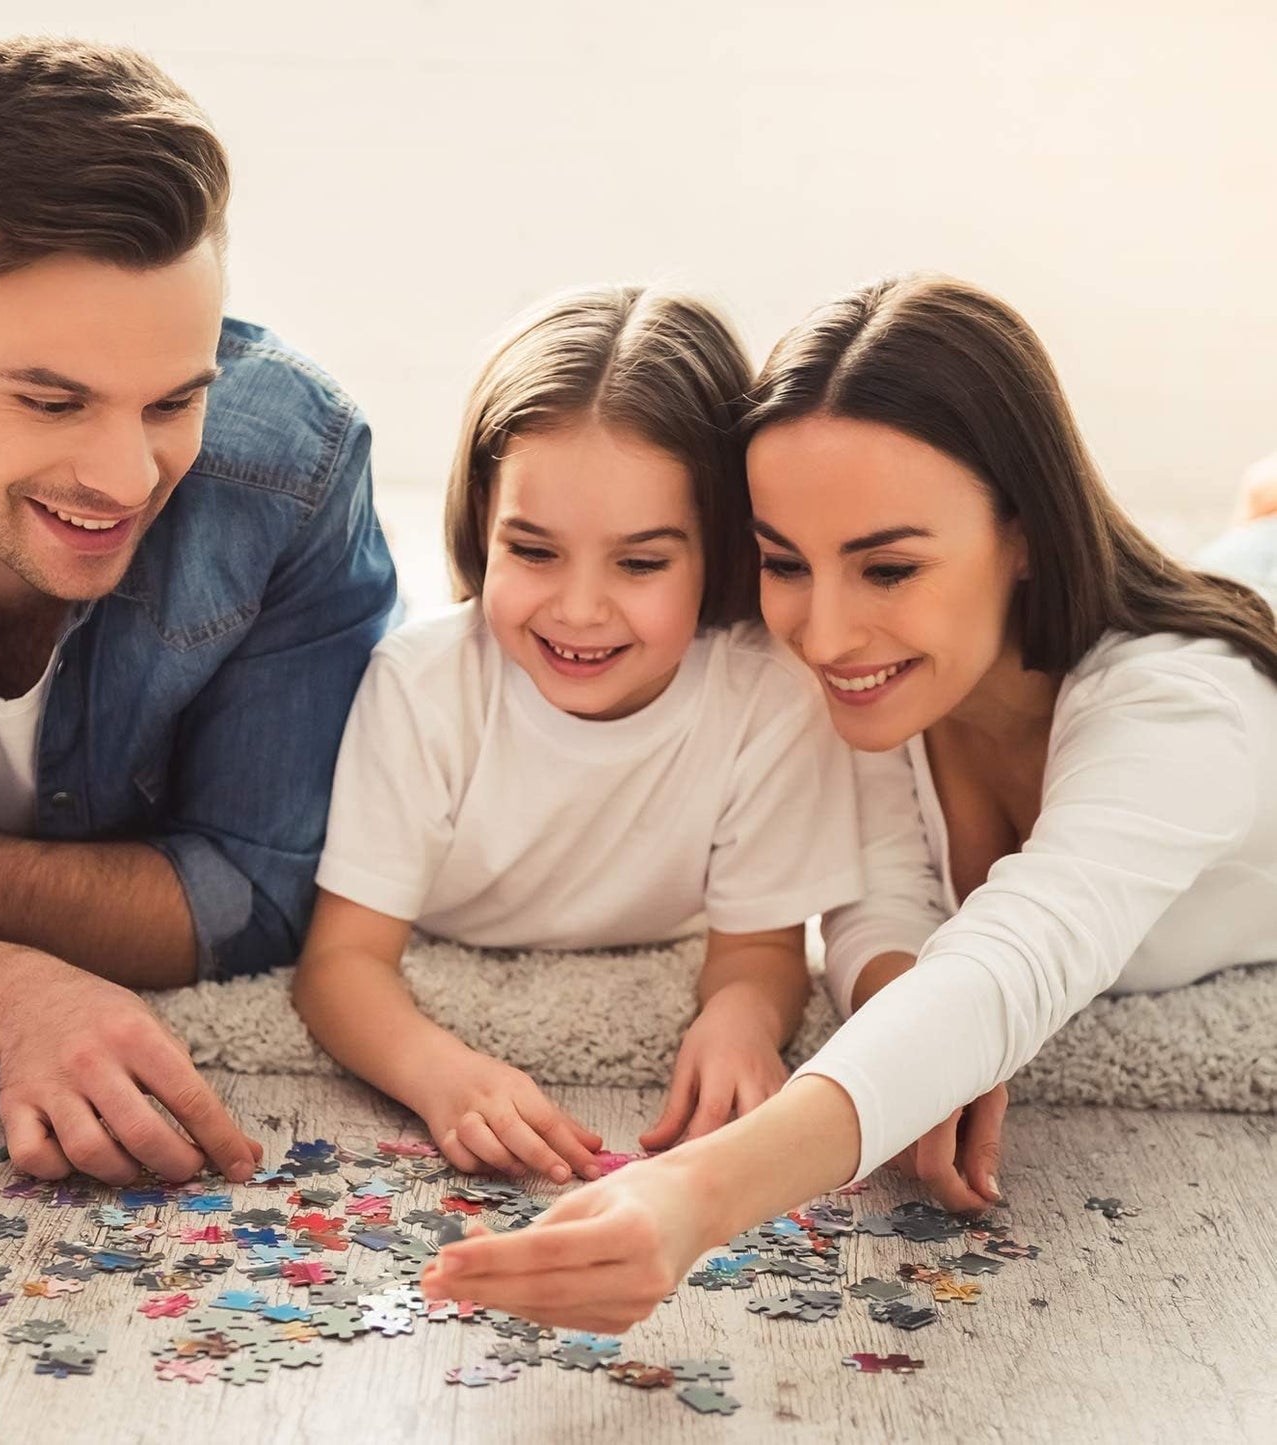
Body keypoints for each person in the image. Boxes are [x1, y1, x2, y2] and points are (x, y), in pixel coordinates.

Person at [420, 274, 1277, 1330]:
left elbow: (1015, 956)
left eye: (886, 568)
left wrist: (690, 1194)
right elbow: (877, 905)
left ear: (1023, 534)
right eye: (786, 561)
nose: (821, 636)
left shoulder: (1179, 713)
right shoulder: (890, 682)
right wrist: (915, 1035)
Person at [0, 39, 398, 1186]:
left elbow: (250, 896)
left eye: (174, 399)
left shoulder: (296, 470)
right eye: (51, 400)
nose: (127, 477)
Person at [294, 285, 870, 1183]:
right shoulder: (422, 684)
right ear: (483, 518)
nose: (578, 609)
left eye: (640, 562)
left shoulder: (768, 696)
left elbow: (761, 950)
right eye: (531, 550)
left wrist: (742, 1020)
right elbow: (340, 964)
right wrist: (445, 1074)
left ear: (719, 546)